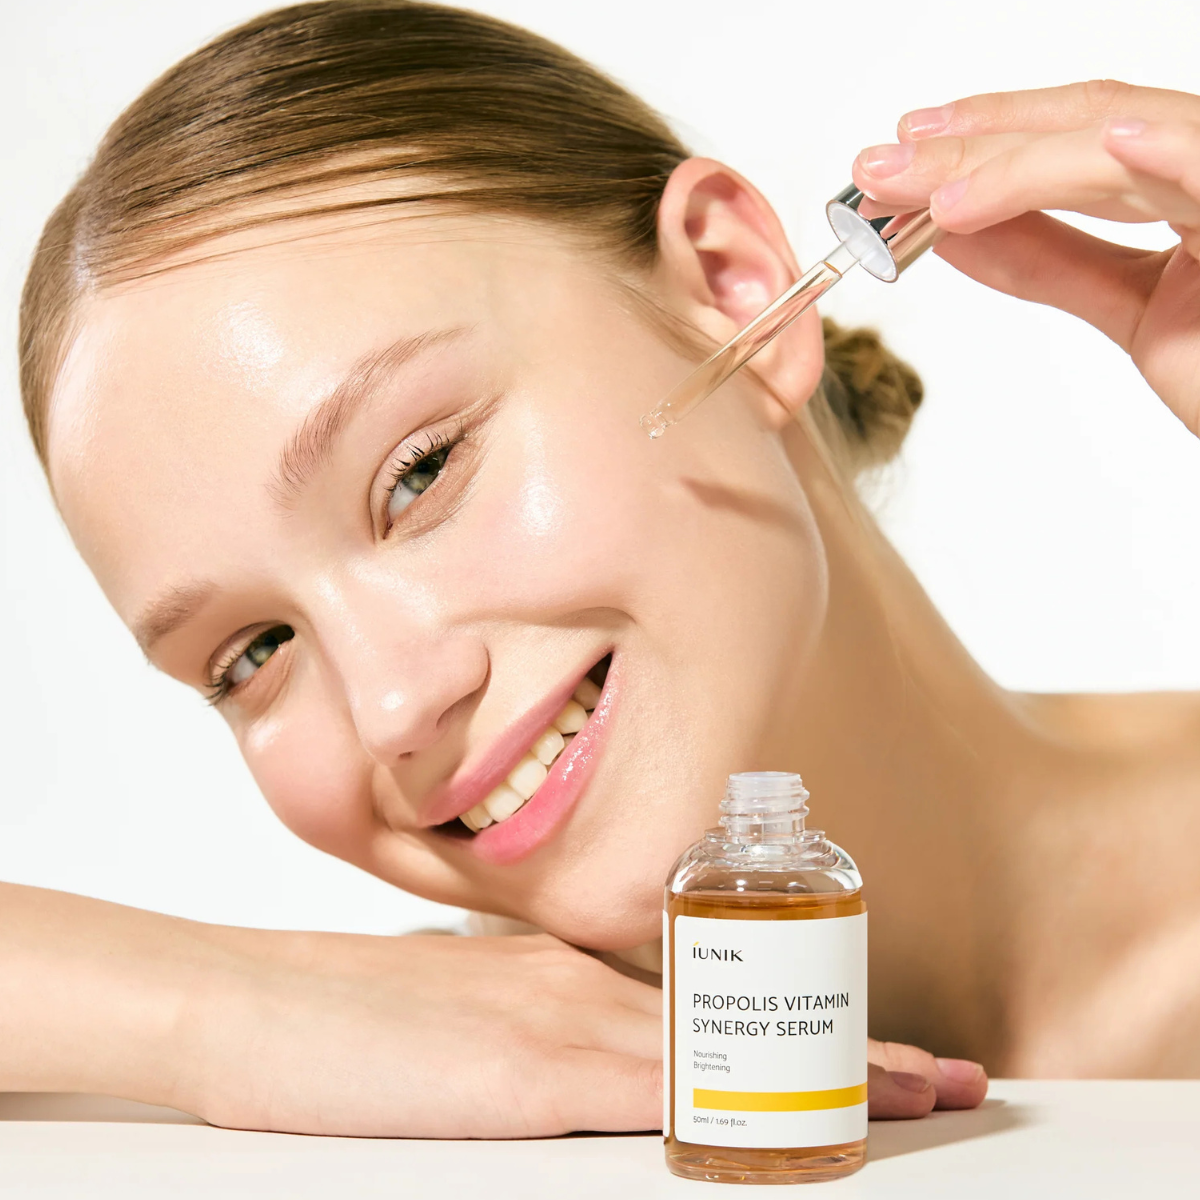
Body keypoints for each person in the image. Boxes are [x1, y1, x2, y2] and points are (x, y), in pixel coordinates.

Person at [9, 0, 1200, 1135]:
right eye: (252, 653)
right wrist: (227, 1009)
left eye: (419, 473)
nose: (391, 706)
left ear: (728, 288)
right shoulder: (374, 1104)